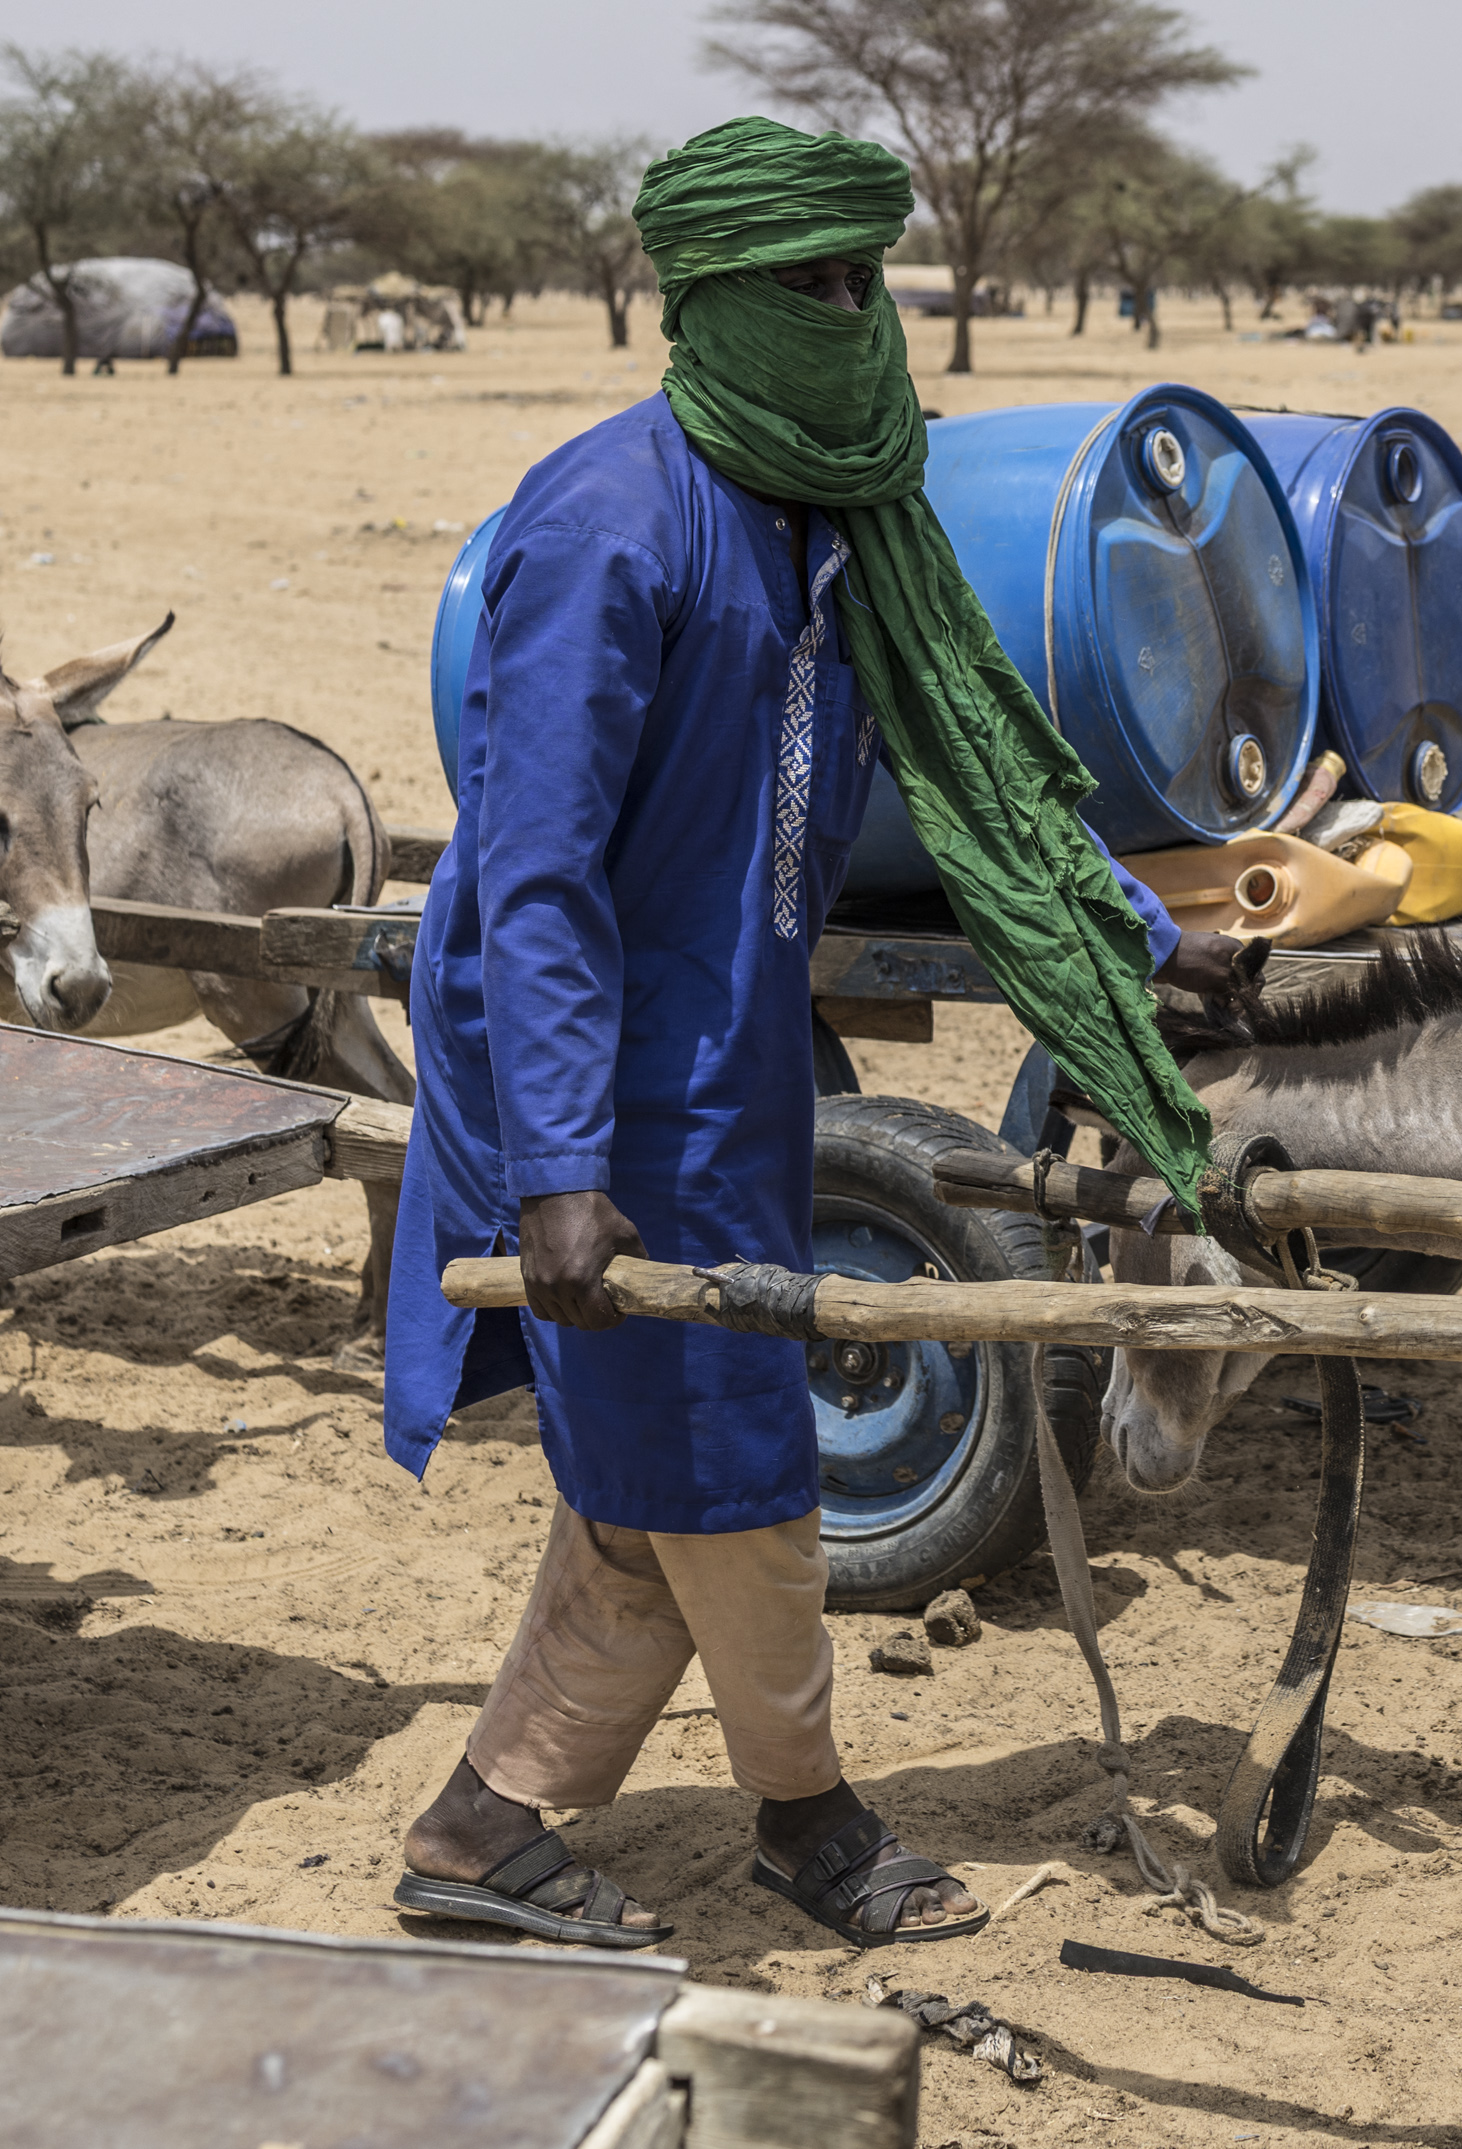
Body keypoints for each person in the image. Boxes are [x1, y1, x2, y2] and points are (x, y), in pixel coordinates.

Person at [381, 115, 1244, 1952]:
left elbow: (980, 773)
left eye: (870, 279)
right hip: (598, 1062)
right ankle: (813, 1820)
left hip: (738, 1042)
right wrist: (557, 1170)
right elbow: (536, 873)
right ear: (703, 300)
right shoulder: (614, 523)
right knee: (735, 1459)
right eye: (813, 284)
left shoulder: (846, 516)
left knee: (654, 1474)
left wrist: (1128, 953)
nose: (853, 316)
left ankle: (485, 1828)